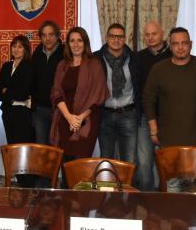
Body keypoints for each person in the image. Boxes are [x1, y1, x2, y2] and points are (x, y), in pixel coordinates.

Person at [143, 27, 196, 192]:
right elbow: (148, 99)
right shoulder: (158, 69)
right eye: (176, 44)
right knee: (172, 186)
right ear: (170, 46)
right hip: (169, 140)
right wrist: (153, 129)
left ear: (191, 44)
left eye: (184, 43)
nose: (180, 47)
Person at [50, 27, 109, 168]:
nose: (76, 44)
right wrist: (69, 117)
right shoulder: (62, 65)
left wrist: (79, 119)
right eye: (72, 41)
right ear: (68, 44)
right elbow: (56, 93)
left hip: (87, 120)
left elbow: (99, 95)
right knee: (65, 164)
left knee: (80, 165)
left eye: (79, 40)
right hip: (65, 119)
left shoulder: (94, 64)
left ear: (85, 43)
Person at [93, 23, 139, 164]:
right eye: (112, 36)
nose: (116, 40)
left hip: (128, 114)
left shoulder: (134, 58)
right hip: (105, 114)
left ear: (125, 39)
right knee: (106, 160)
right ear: (106, 38)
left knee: (129, 161)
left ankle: (126, 181)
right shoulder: (95, 58)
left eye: (120, 36)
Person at [135, 21, 171, 191]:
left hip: (169, 118)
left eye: (154, 34)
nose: (150, 38)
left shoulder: (173, 54)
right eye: (147, 35)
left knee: (166, 162)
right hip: (145, 117)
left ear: (163, 33)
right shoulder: (138, 57)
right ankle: (147, 197)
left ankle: (165, 197)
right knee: (144, 163)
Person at [0, 35, 35, 187]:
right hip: (8, 113)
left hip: (23, 114)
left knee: (23, 148)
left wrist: (7, 90)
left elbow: (24, 93)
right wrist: (8, 92)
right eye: (14, 46)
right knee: (12, 146)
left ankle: (27, 182)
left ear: (25, 50)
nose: (16, 49)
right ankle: (19, 178)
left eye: (20, 47)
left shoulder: (29, 66)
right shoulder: (6, 66)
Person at [31, 21, 64, 145]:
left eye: (51, 35)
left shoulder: (65, 53)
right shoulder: (36, 54)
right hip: (40, 108)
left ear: (57, 36)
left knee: (57, 145)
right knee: (41, 146)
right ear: (40, 37)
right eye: (44, 35)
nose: (48, 38)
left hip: (59, 108)